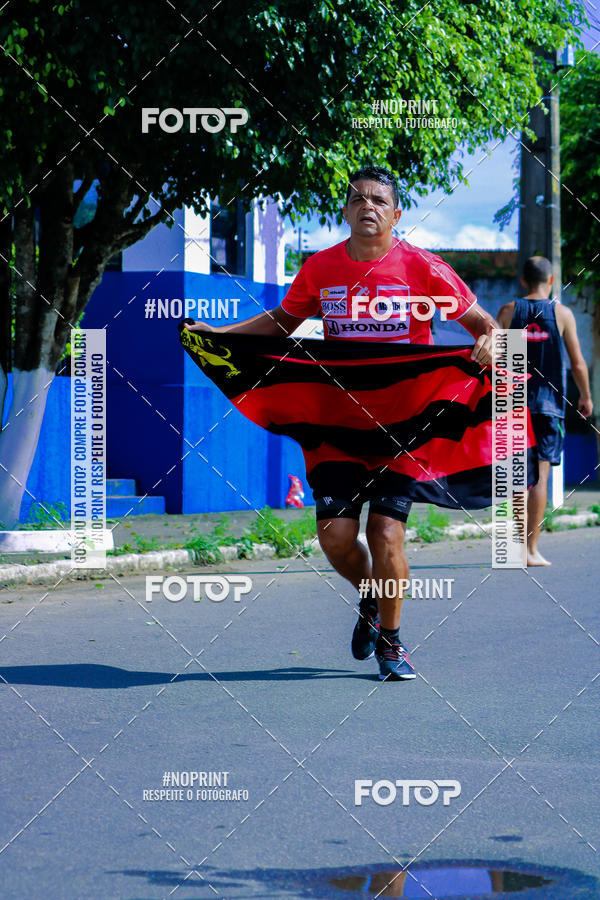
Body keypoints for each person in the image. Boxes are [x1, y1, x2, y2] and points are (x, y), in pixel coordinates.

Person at [185, 165, 496, 681]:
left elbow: (483, 325)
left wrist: (488, 341)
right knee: (333, 537)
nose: (367, 206)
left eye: (378, 200)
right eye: (358, 199)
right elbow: (282, 324)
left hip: (405, 428)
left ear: (396, 215)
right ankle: (371, 600)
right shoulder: (321, 268)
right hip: (338, 425)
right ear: (346, 212)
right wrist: (221, 334)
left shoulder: (425, 269)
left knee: (386, 535)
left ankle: (392, 644)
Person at [497, 256, 593, 566]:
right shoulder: (562, 313)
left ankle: (514, 547)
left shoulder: (509, 311)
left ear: (523, 280)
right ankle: (530, 550)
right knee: (539, 476)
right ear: (550, 281)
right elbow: (577, 362)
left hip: (512, 403)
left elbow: (496, 361)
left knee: (515, 475)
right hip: (549, 406)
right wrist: (586, 397)